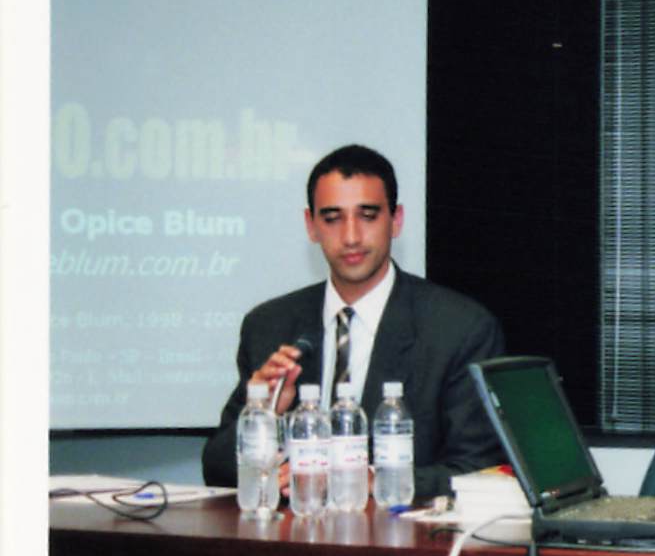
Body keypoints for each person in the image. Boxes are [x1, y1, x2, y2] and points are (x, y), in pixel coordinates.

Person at [201, 144, 505, 503]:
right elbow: (216, 468)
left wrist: (373, 480)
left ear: (396, 220)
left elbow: (480, 471)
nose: (351, 237)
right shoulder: (269, 325)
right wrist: (265, 414)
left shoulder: (459, 328)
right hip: (294, 527)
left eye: (368, 216)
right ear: (311, 226)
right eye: (332, 218)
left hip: (403, 535)